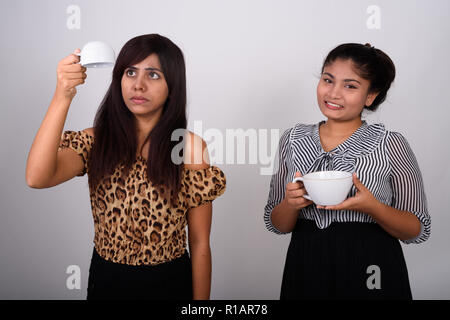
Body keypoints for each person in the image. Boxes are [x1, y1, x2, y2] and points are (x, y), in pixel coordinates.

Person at [26, 34, 226, 300]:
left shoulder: (189, 148)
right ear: (119, 78)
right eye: (130, 72)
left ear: (172, 86)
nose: (138, 85)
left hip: (169, 283)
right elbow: (37, 177)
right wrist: (63, 95)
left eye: (153, 75)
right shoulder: (96, 141)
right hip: (107, 282)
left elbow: (200, 243)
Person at [264, 43, 430, 300]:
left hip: (372, 264)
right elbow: (277, 224)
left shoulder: (391, 143)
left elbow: (417, 229)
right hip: (306, 264)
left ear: (371, 96)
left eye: (350, 86)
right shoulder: (293, 139)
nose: (334, 93)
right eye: (328, 80)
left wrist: (373, 207)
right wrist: (291, 203)